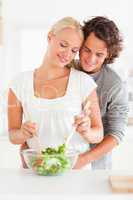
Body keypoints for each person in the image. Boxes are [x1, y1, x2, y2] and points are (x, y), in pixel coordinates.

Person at [8, 17, 103, 168]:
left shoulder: (83, 82)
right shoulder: (19, 83)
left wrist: (86, 131)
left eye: (74, 50)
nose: (67, 54)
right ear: (50, 37)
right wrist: (22, 133)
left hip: (74, 172)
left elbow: (98, 134)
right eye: (63, 45)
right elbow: (13, 136)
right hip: (37, 169)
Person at [72, 16, 129, 169]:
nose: (90, 59)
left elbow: (116, 134)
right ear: (80, 45)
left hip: (95, 167)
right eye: (87, 50)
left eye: (99, 54)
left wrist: (83, 160)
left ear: (109, 54)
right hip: (61, 158)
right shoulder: (65, 69)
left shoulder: (114, 85)